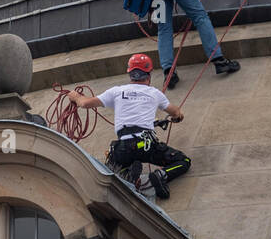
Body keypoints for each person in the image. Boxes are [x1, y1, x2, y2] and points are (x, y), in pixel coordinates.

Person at [64, 54, 187, 199]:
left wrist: (75, 97)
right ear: (149, 74)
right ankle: (159, 176)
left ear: (130, 74)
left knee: (113, 175)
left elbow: (85, 103)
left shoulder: (116, 91)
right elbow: (176, 112)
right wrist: (177, 116)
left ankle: (131, 177)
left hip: (124, 147)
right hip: (146, 145)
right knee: (183, 161)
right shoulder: (155, 93)